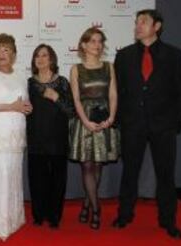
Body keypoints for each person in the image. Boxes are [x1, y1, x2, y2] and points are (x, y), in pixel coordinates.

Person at [112, 9, 181, 240]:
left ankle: (168, 221)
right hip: (132, 124)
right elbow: (119, 92)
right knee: (129, 173)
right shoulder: (124, 55)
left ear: (157, 26)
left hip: (163, 126)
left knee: (165, 175)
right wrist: (120, 120)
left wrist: (177, 120)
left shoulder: (175, 55)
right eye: (136, 22)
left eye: (143, 22)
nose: (138, 26)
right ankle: (124, 215)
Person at [0, 33, 32, 240]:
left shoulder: (20, 76)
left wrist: (26, 107)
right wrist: (12, 106)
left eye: (7, 50)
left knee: (13, 177)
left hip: (16, 134)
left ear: (14, 54)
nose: (2, 53)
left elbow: (24, 103)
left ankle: (14, 219)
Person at [69, 27, 119, 230]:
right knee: (87, 165)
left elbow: (113, 94)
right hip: (85, 120)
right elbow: (76, 100)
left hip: (105, 117)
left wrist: (112, 117)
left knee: (98, 165)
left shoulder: (109, 66)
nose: (97, 45)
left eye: (100, 41)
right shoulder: (76, 69)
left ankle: (87, 204)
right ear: (83, 45)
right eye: (92, 41)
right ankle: (97, 209)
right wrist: (86, 122)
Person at [26, 44, 74, 229]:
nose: (40, 59)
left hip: (57, 138)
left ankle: (54, 216)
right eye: (37, 55)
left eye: (44, 55)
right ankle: (39, 214)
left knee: (57, 179)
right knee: (37, 179)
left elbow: (71, 111)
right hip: (36, 138)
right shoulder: (29, 83)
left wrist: (56, 98)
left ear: (52, 59)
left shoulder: (62, 82)